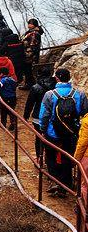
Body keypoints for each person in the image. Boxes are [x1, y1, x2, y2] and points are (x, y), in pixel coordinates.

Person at [39, 68, 87, 196]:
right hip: (71, 132)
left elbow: (44, 115)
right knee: (67, 156)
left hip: (52, 132)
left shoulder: (49, 95)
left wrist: (43, 129)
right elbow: (84, 113)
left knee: (51, 155)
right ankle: (66, 183)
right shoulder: (79, 94)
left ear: (57, 78)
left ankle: (54, 182)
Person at [23, 71, 57, 159]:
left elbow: (30, 103)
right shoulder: (55, 87)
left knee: (38, 138)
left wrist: (26, 115)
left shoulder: (36, 87)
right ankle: (49, 159)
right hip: (52, 117)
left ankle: (39, 158)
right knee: (50, 138)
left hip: (38, 117)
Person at [21, 19, 44, 89]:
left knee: (29, 70)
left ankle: (30, 85)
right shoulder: (30, 32)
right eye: (28, 23)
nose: (29, 25)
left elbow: (32, 45)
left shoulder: (34, 33)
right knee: (28, 70)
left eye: (30, 24)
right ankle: (30, 84)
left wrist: (23, 44)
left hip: (30, 54)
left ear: (34, 24)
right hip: (29, 53)